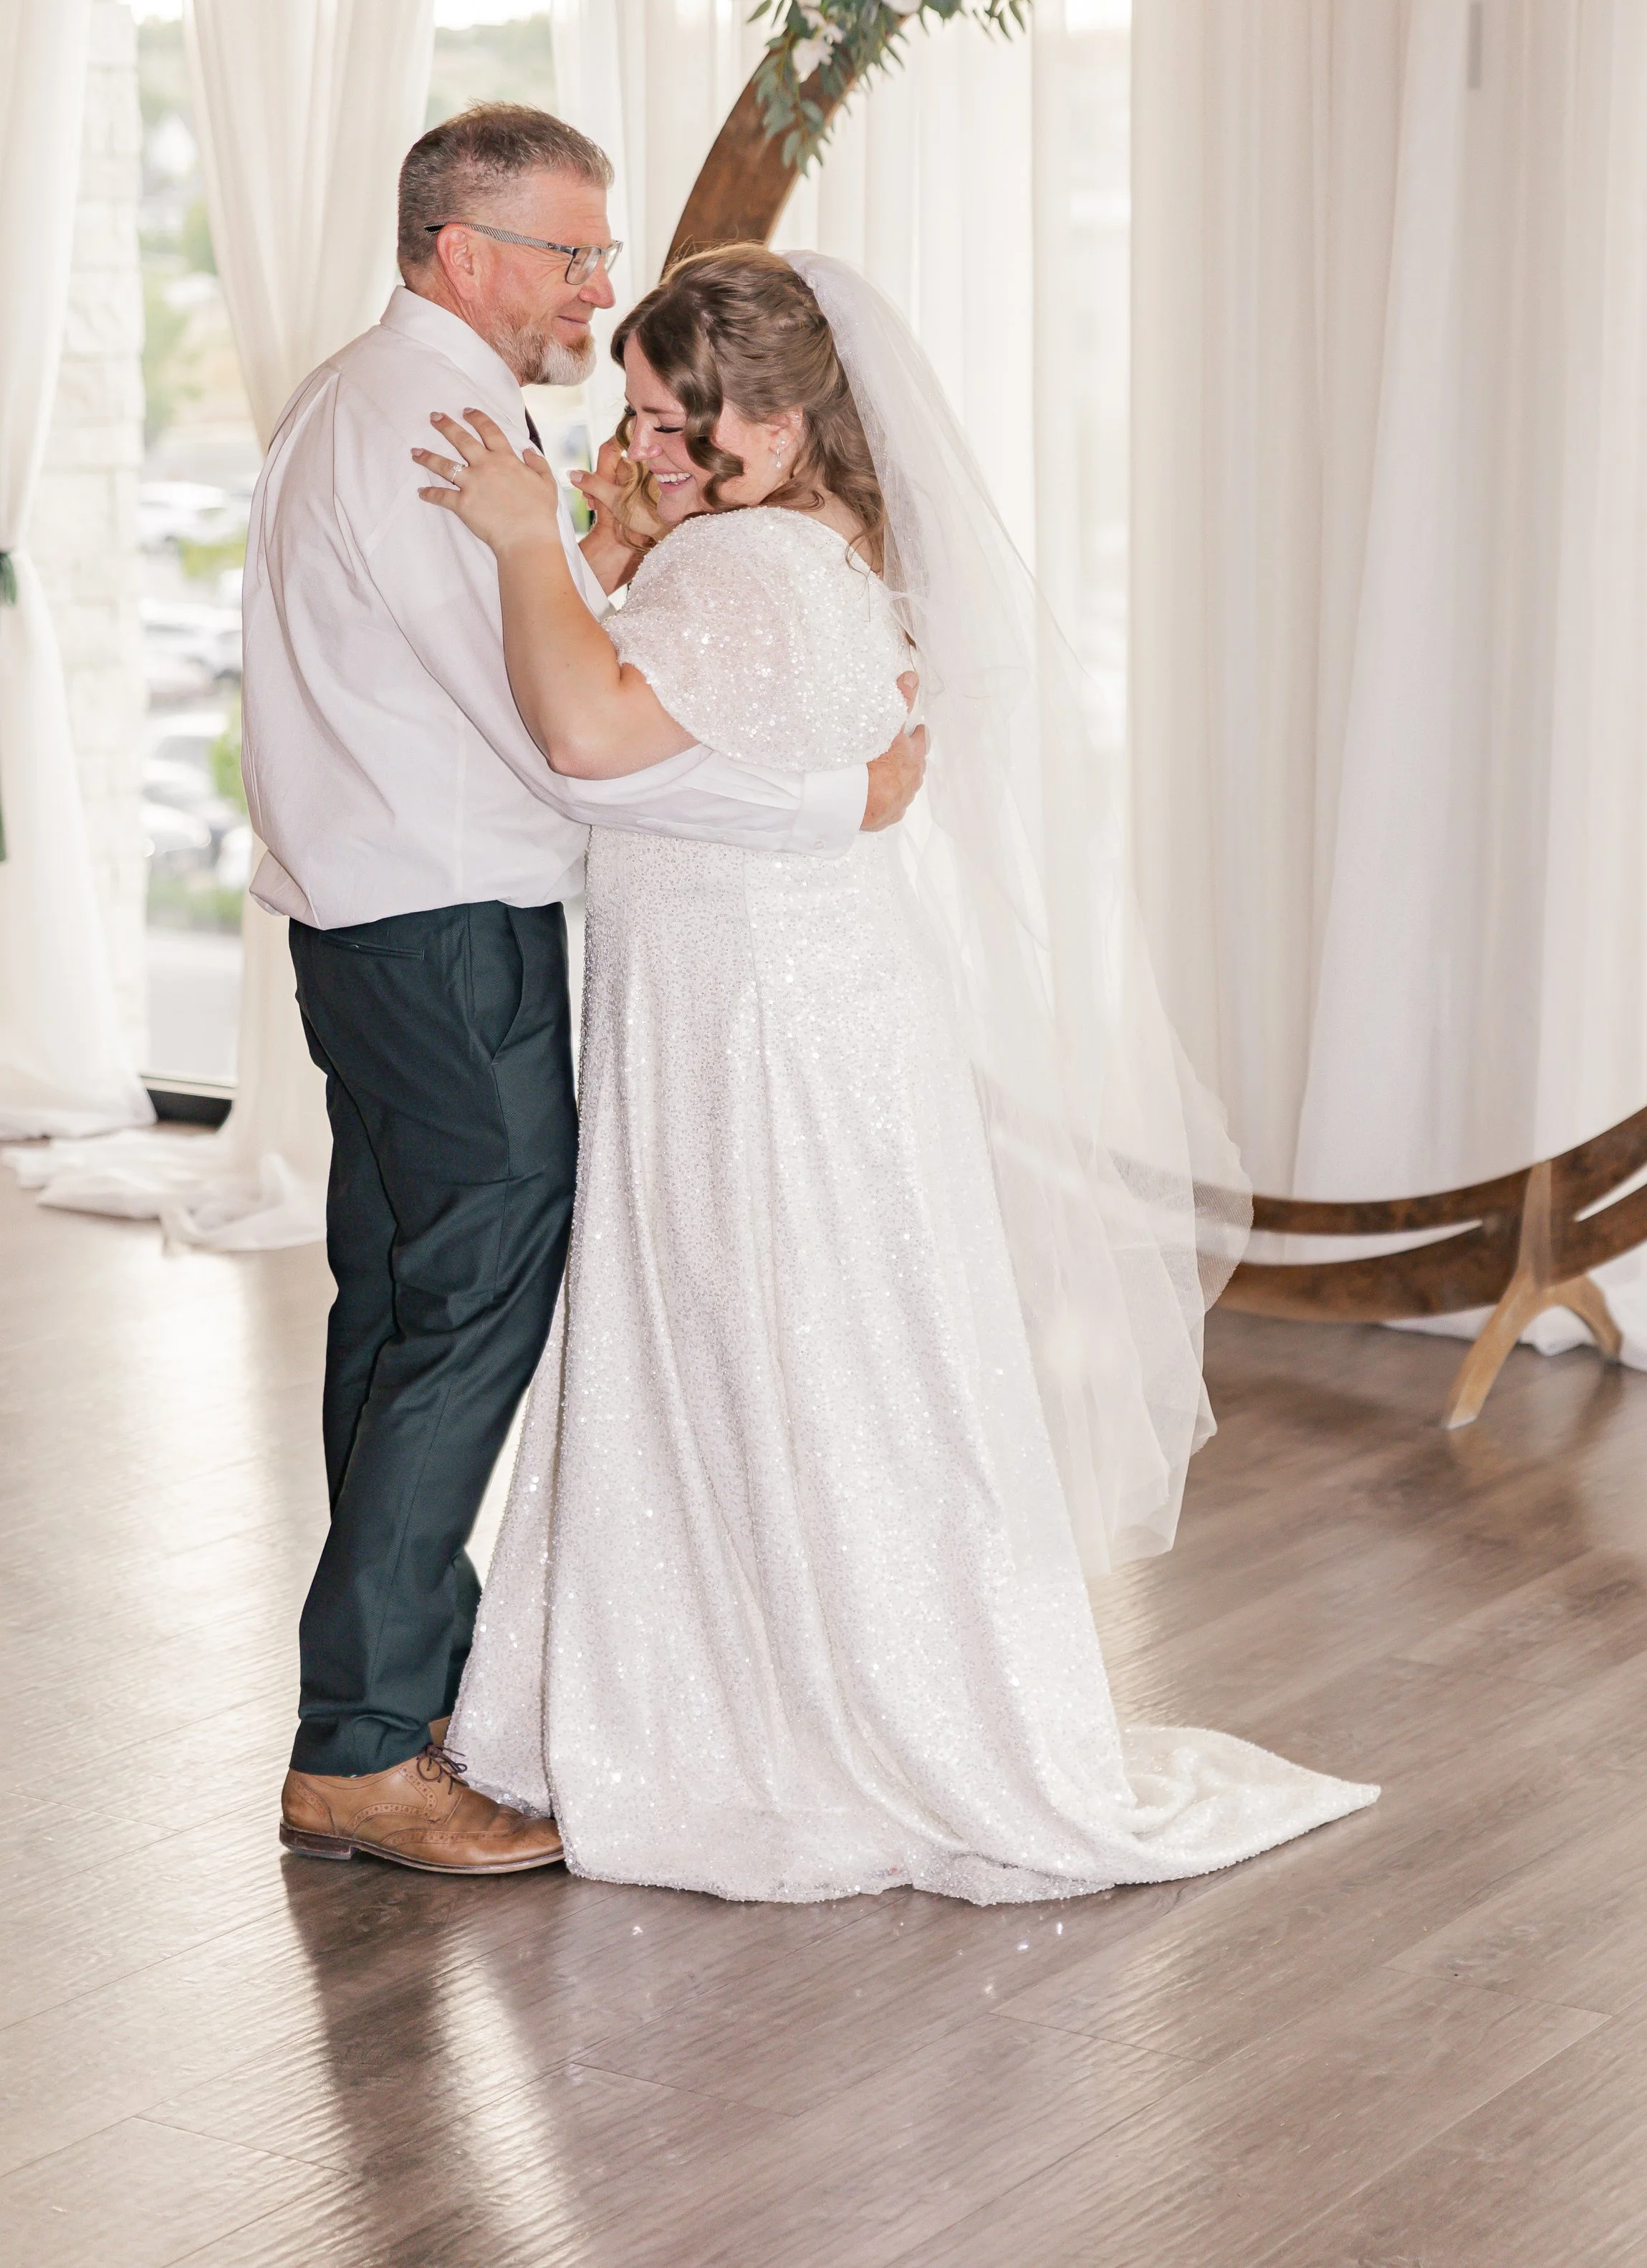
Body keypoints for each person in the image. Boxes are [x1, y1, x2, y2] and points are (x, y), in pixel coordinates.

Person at [418, 243, 1378, 1904]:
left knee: (766, 1341)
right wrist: (625, 545)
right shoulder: (794, 549)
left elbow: (585, 744)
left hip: (753, 1025)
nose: (633, 445)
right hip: (786, 1005)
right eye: (635, 412)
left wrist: (528, 546)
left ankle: (771, 1721)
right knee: (811, 1348)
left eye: (671, 420)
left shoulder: (745, 571)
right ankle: (801, 1685)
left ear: (780, 425)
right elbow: (711, 778)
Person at [244, 109, 926, 1877]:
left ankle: (396, 1691)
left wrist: (587, 555)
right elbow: (575, 747)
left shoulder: (370, 397)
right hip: (451, 930)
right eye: (570, 253)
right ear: (462, 253)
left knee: (402, 1314)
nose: (598, 284)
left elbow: (524, 676)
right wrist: (830, 800)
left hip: (375, 923)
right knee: (465, 1314)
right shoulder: (434, 428)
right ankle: (365, 1745)